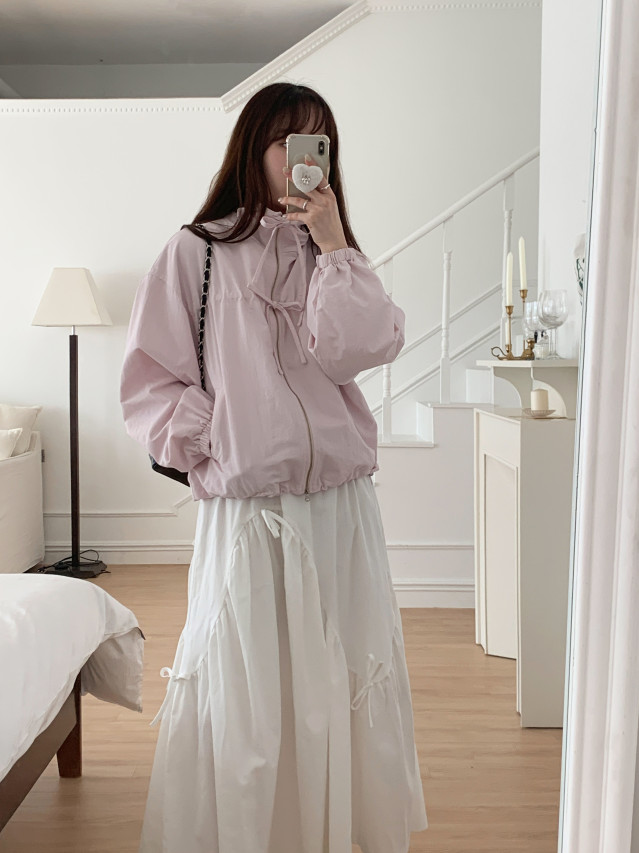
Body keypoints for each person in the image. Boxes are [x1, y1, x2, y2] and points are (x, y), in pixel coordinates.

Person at [119, 81, 428, 853]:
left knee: (338, 676)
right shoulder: (194, 251)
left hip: (339, 506)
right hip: (250, 509)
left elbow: (360, 349)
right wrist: (217, 433)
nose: (300, 160)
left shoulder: (330, 254)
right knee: (248, 686)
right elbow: (149, 381)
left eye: (315, 142)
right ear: (251, 151)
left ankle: (335, 833)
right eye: (284, 142)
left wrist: (334, 246)